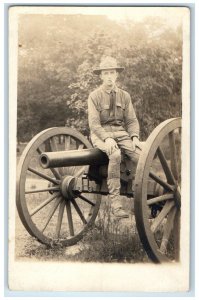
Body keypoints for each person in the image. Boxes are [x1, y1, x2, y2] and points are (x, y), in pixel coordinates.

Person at [87, 56, 141, 218]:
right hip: (100, 134)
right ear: (101, 76)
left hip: (120, 133)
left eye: (112, 72)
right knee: (115, 154)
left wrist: (135, 137)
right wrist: (106, 139)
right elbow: (94, 124)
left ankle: (144, 199)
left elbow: (131, 120)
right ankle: (116, 205)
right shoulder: (94, 96)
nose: (109, 76)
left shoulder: (125, 96)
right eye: (105, 73)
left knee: (140, 156)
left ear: (117, 75)